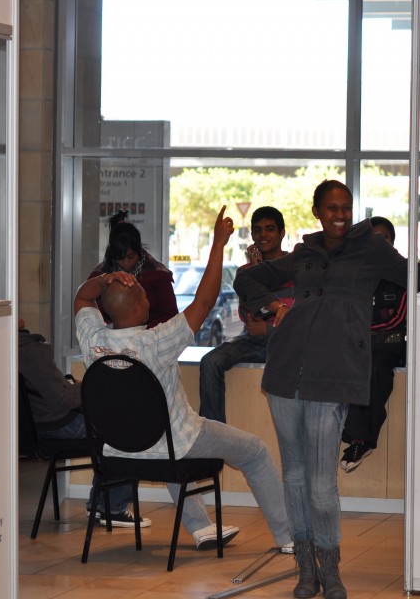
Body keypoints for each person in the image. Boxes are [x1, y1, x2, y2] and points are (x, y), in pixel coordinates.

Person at [234, 180, 420, 599]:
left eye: (346, 207)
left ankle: (330, 568)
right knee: (295, 475)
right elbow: (247, 279)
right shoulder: (304, 253)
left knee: (320, 482)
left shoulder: (372, 250)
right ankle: (305, 569)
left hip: (334, 374)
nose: (340, 215)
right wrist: (274, 307)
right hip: (286, 374)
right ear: (317, 211)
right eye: (331, 208)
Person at [73, 206, 293, 553]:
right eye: (143, 294)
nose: (148, 296)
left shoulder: (92, 341)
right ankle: (289, 536)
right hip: (170, 444)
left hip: (118, 449)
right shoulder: (156, 341)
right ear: (136, 308)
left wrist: (104, 279)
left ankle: (201, 527)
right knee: (253, 451)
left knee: (169, 432)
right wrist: (218, 244)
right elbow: (204, 302)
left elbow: (83, 297)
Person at [18, 318, 150, 528]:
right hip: (58, 425)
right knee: (127, 431)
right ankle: (113, 508)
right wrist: (90, 384)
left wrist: (73, 386)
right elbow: (62, 400)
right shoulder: (31, 351)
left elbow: (48, 393)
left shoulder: (7, 350)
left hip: (36, 428)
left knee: (111, 426)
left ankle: (101, 504)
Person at [199, 206, 293, 424]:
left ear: (282, 233)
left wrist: (268, 329)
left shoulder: (295, 267)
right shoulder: (245, 272)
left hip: (287, 342)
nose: (263, 235)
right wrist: (257, 267)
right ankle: (214, 432)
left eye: (270, 229)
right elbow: (252, 313)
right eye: (258, 230)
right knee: (210, 362)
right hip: (254, 341)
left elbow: (296, 317)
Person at [339, 217, 406, 473]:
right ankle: (353, 437)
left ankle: (361, 440)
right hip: (358, 344)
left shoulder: (401, 275)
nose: (378, 243)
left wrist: (365, 330)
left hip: (388, 346)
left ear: (392, 243)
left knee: (374, 369)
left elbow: (398, 319)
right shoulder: (355, 276)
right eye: (373, 238)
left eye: (384, 238)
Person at [88, 210, 177, 328]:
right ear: (112, 255)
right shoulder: (100, 276)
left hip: (153, 336)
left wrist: (145, 333)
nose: (125, 263)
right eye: (119, 258)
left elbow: (171, 315)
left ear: (139, 251)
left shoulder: (158, 275)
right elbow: (91, 311)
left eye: (130, 257)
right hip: (111, 337)